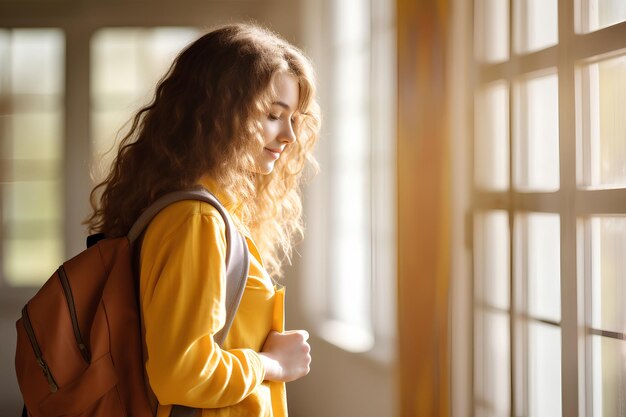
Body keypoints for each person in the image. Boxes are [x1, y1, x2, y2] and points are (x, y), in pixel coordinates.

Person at [85, 22, 321, 417]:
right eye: (273, 115)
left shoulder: (198, 210)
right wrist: (272, 363)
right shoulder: (197, 220)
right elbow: (181, 373)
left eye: (294, 119)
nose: (289, 138)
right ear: (219, 112)